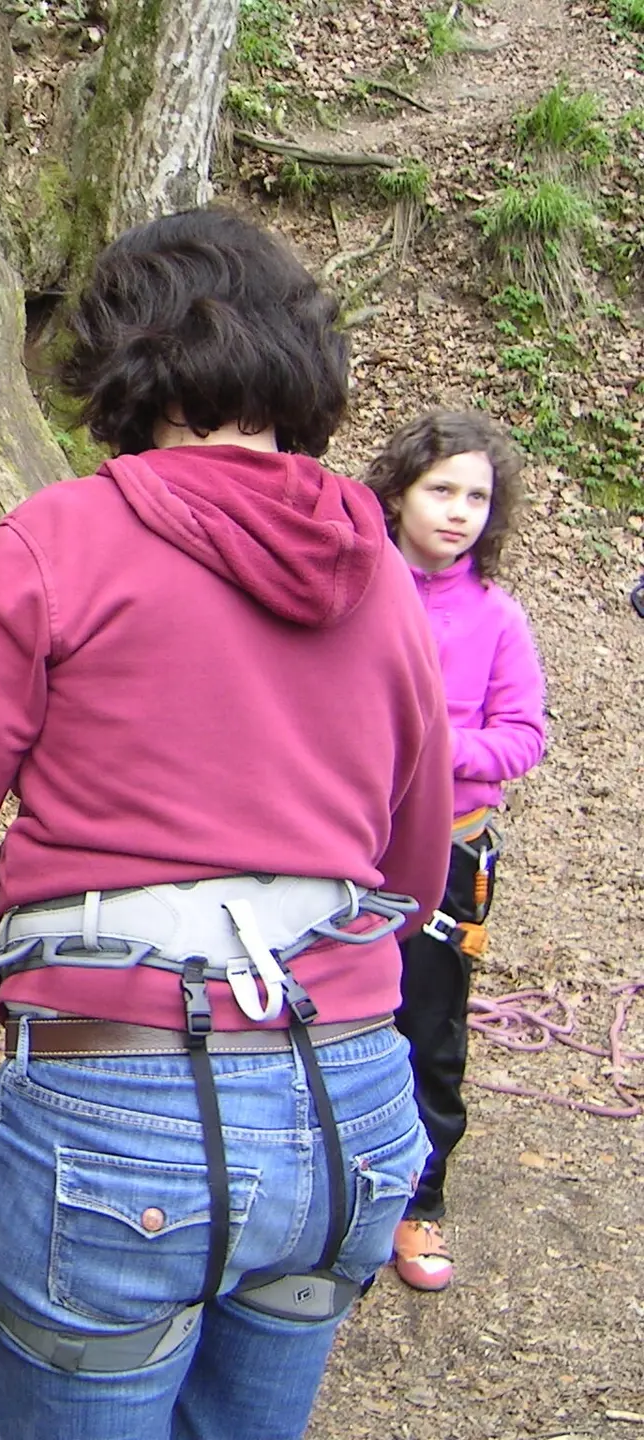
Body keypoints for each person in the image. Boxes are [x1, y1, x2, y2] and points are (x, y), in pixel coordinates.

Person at [0, 209, 452, 1439]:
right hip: (348, 1095)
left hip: (122, 1108)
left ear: (121, 362)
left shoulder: (59, 539)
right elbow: (410, 870)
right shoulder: (376, 562)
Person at [363, 410, 546, 1292]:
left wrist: (437, 748)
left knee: (426, 1029)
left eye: (478, 495)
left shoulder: (498, 617)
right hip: (347, 842)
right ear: (396, 495)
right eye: (441, 489)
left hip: (450, 853)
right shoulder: (355, 591)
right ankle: (324, 1196)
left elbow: (521, 737)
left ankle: (417, 1203)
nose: (460, 510)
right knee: (325, 1013)